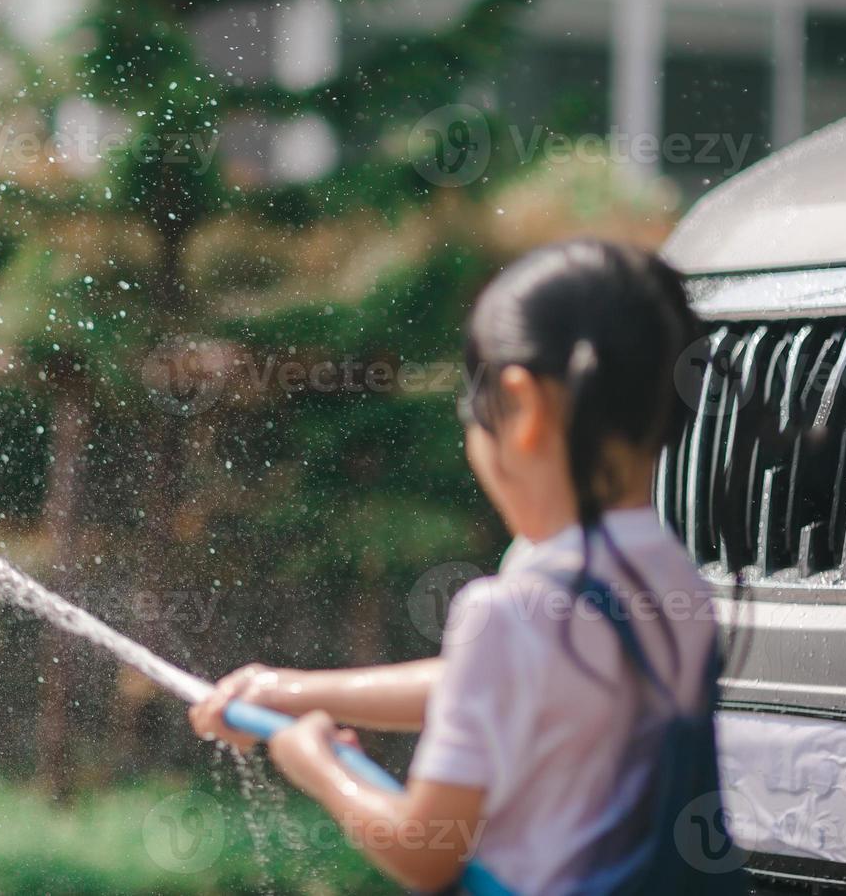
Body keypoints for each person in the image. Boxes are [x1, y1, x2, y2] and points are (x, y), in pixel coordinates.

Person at [189, 240, 745, 894]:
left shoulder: (507, 611)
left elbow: (427, 851)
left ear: (524, 407)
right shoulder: (677, 581)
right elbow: (511, 684)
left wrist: (319, 768)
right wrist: (297, 691)